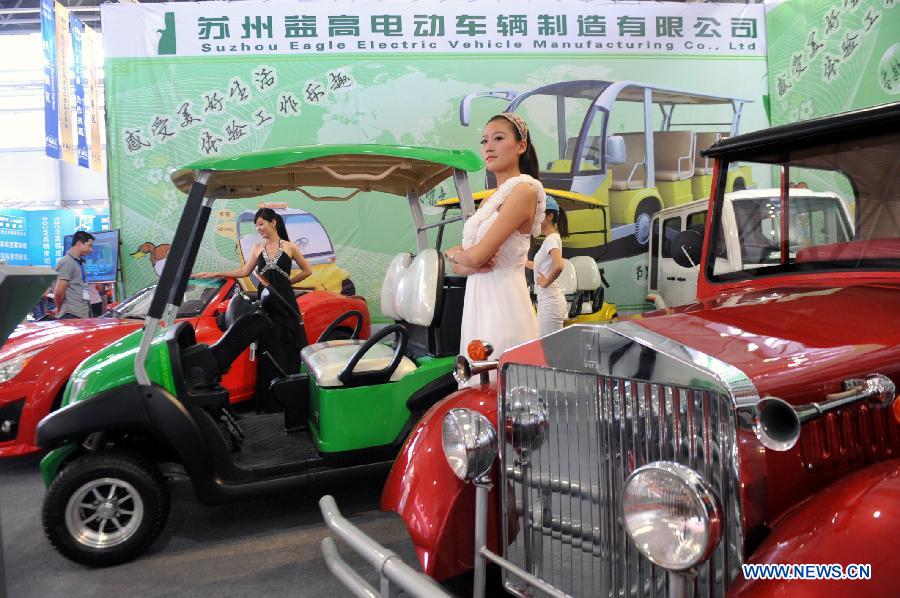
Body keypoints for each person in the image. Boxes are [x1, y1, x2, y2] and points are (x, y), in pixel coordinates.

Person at [444, 113, 546, 381]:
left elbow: (477, 255)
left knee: (503, 387)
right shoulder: (490, 200)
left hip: (503, 303)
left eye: (498, 138)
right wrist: (457, 255)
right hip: (478, 300)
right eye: (484, 140)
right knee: (476, 383)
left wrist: (467, 258)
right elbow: (463, 264)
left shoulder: (524, 190)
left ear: (520, 146)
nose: (488, 147)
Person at [196, 208, 313, 412]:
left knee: (288, 346)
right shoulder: (257, 248)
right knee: (268, 348)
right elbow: (243, 271)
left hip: (284, 303)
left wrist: (286, 283)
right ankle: (269, 403)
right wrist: (215, 272)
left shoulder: (290, 247)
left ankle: (290, 400)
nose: (258, 228)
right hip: (266, 303)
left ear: (273, 222)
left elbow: (307, 270)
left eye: (261, 223)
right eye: (256, 225)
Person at [526, 196, 569, 336]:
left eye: (539, 214)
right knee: (547, 347)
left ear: (549, 216)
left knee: (550, 349)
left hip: (551, 301)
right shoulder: (551, 239)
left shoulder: (551, 239)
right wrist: (521, 262)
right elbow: (540, 266)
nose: (536, 218)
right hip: (547, 301)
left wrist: (545, 282)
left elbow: (559, 265)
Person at [54, 231, 95, 319]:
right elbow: (59, 291)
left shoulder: (78, 262)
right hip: (71, 314)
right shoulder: (67, 262)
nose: (91, 249)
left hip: (80, 313)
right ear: (79, 243)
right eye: (89, 246)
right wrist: (59, 308)